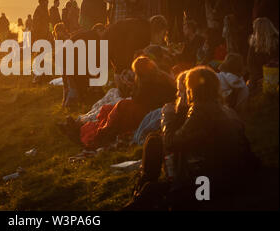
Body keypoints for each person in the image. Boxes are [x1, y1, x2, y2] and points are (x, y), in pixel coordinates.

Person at [127, 66, 257, 210]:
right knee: (152, 188)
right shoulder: (226, 110)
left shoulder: (201, 111)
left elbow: (171, 143)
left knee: (152, 192)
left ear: (192, 89)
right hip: (232, 176)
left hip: (212, 184)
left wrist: (168, 116)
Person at [63, 56, 176, 150]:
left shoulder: (148, 83)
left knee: (120, 106)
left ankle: (97, 135)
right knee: (110, 108)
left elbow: (139, 99)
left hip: (149, 112)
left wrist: (131, 86)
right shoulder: (162, 77)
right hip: (152, 109)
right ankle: (87, 129)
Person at [247, 17, 279, 94]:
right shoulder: (277, 42)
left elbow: (250, 64)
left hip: (262, 79)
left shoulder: (254, 45)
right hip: (273, 78)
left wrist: (259, 78)